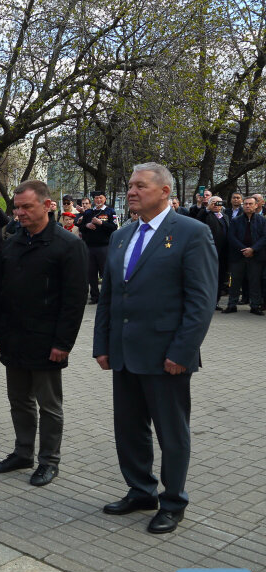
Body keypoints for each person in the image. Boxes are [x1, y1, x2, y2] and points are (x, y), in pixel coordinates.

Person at [93, 162, 217, 534]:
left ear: (164, 191)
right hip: (124, 352)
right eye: (129, 185)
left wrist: (181, 352)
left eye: (140, 186)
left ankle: (173, 501)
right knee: (129, 429)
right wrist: (102, 343)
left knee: (171, 432)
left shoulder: (192, 233)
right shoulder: (121, 235)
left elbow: (201, 301)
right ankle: (141, 490)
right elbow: (109, 295)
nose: (131, 191)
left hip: (167, 356)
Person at [0, 180, 88, 486]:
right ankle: (22, 452)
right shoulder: (13, 241)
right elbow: (0, 292)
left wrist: (63, 343)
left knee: (49, 405)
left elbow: (74, 301)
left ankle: (49, 461)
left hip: (47, 340)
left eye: (27, 206)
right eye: (17, 207)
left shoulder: (68, 245)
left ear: (47, 205)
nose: (20, 213)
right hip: (14, 337)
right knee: (19, 400)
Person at [223, 196, 266, 315]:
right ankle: (232, 305)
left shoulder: (262, 221)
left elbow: (264, 237)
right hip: (238, 256)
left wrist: (253, 249)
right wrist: (244, 249)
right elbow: (231, 237)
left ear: (256, 205)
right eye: (245, 204)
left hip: (255, 256)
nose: (247, 206)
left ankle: (255, 306)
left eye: (250, 204)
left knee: (255, 281)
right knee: (235, 282)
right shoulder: (236, 220)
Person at [74, 190, 118, 304]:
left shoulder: (110, 211)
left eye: (100, 198)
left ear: (105, 199)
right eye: (96, 198)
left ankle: (107, 296)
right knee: (91, 273)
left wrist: (101, 223)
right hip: (90, 247)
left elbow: (114, 227)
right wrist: (86, 225)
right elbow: (80, 226)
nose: (98, 200)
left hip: (104, 247)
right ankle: (95, 297)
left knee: (105, 273)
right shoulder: (89, 212)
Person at [203, 196, 230, 308]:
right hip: (209, 252)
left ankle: (216, 301)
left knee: (220, 277)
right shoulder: (205, 215)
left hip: (223, 254)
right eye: (213, 203)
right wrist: (207, 209)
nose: (216, 205)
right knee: (208, 278)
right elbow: (198, 219)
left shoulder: (225, 216)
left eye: (218, 203)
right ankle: (206, 302)